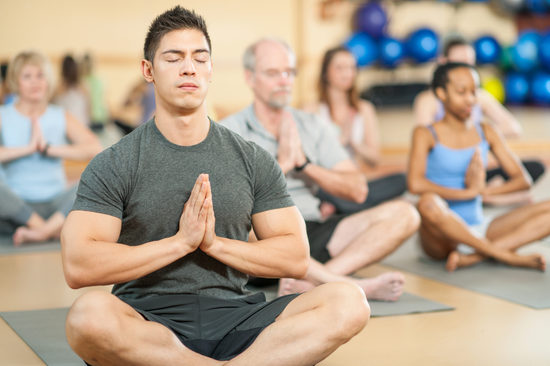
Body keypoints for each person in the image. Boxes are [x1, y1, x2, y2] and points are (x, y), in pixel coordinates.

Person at [62, 7, 370, 366]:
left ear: (210, 70)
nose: (188, 68)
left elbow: (296, 256)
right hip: (148, 323)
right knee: (87, 316)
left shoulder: (251, 158)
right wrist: (179, 243)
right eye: (173, 58)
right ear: (148, 70)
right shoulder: (115, 162)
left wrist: (212, 244)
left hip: (237, 318)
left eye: (199, 58)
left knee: (348, 301)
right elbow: (79, 265)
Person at [221, 38, 420, 300]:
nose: (284, 80)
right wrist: (282, 165)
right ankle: (346, 284)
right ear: (250, 77)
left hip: (311, 229)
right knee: (237, 230)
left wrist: (306, 166)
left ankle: (315, 282)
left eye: (289, 72)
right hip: (262, 238)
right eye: (272, 73)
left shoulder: (311, 125)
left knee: (406, 214)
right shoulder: (228, 132)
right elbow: (230, 206)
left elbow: (358, 190)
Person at [408, 62, 548, 272]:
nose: (470, 99)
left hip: (479, 227)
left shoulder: (486, 131)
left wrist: (483, 191)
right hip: (440, 236)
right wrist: (468, 192)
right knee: (427, 202)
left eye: (474, 91)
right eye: (461, 92)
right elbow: (415, 184)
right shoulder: (425, 133)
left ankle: (474, 257)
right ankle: (501, 254)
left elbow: (523, 181)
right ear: (441, 93)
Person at [413, 36, 545, 206]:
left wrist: (476, 138)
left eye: (469, 62)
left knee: (534, 167)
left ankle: (486, 195)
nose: (465, 67)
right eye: (459, 62)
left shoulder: (479, 100)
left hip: (477, 170)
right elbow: (425, 149)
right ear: (444, 62)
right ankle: (489, 198)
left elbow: (513, 128)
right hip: (447, 174)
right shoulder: (428, 100)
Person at [0, 51, 102, 245]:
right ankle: (44, 228)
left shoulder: (61, 116)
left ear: (48, 80)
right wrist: (28, 148)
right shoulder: (3, 115)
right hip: (16, 208)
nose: (35, 82)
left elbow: (95, 148)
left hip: (57, 205)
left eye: (40, 75)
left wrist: (49, 149)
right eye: (27, 76)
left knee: (98, 177)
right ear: (15, 81)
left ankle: (42, 230)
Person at [304, 46, 407, 216]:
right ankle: (357, 206)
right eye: (340, 68)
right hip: (326, 185)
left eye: (352, 68)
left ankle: (343, 207)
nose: (347, 73)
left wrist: (353, 142)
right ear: (325, 73)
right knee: (319, 191)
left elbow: (375, 159)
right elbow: (308, 160)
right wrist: (340, 141)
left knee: (403, 179)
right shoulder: (311, 110)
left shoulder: (364, 109)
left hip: (354, 185)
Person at [54, 55, 91, 126]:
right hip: (82, 125)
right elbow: (88, 111)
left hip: (66, 126)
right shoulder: (83, 87)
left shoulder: (59, 88)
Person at [80, 54, 109, 131]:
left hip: (87, 119)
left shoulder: (81, 81)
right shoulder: (99, 81)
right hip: (100, 118)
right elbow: (103, 102)